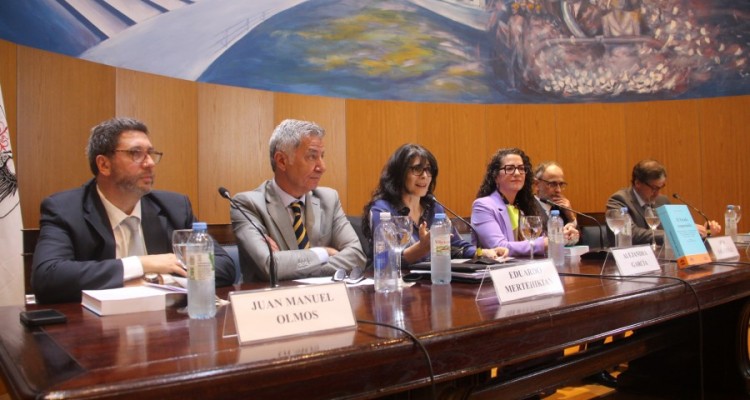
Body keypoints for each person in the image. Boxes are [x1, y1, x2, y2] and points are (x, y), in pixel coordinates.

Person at [32, 117, 237, 304]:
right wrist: (141, 264)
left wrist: (156, 279)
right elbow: (48, 278)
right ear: (104, 164)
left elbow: (223, 266)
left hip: (167, 328)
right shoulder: (65, 209)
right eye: (136, 153)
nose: (149, 163)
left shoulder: (174, 207)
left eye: (151, 153)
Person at [231, 119, 365, 282]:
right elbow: (271, 266)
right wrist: (323, 252)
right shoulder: (247, 205)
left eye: (322, 156)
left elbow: (357, 256)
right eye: (311, 156)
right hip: (271, 303)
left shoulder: (329, 199)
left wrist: (291, 264)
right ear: (281, 160)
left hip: (325, 300)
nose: (322, 167)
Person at [362, 144, 507, 266]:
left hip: (430, 282)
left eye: (428, 170)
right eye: (417, 169)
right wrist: (422, 247)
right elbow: (387, 260)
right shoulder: (382, 210)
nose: (425, 176)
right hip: (393, 287)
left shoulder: (433, 207)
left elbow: (455, 244)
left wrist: (482, 253)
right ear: (399, 174)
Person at [606, 159, 721, 246]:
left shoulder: (662, 201)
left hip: (663, 261)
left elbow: (678, 232)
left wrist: (705, 232)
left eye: (660, 187)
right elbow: (632, 234)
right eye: (654, 188)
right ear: (637, 183)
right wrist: (678, 233)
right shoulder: (619, 200)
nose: (657, 193)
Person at [472, 148, 547, 257]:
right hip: (494, 271)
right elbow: (499, 246)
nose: (517, 173)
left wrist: (562, 235)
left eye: (521, 168)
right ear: (496, 176)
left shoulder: (522, 207)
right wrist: (541, 244)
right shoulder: (483, 206)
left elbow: (542, 238)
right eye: (510, 168)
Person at [533, 161, 580, 245]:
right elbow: (534, 240)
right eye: (552, 184)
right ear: (537, 185)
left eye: (561, 184)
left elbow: (579, 243)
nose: (558, 190)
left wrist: (571, 218)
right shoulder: (528, 207)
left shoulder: (561, 208)